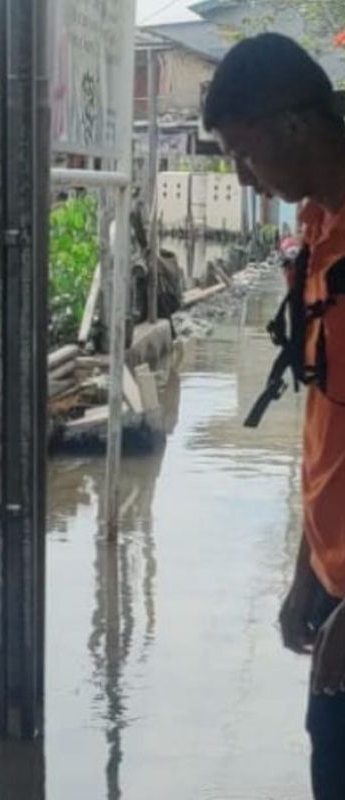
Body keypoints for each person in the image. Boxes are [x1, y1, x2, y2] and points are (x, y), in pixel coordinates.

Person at [203, 32, 345, 798]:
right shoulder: (321, 233)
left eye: (243, 152)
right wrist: (307, 569)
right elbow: (329, 427)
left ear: (294, 125)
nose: (240, 175)